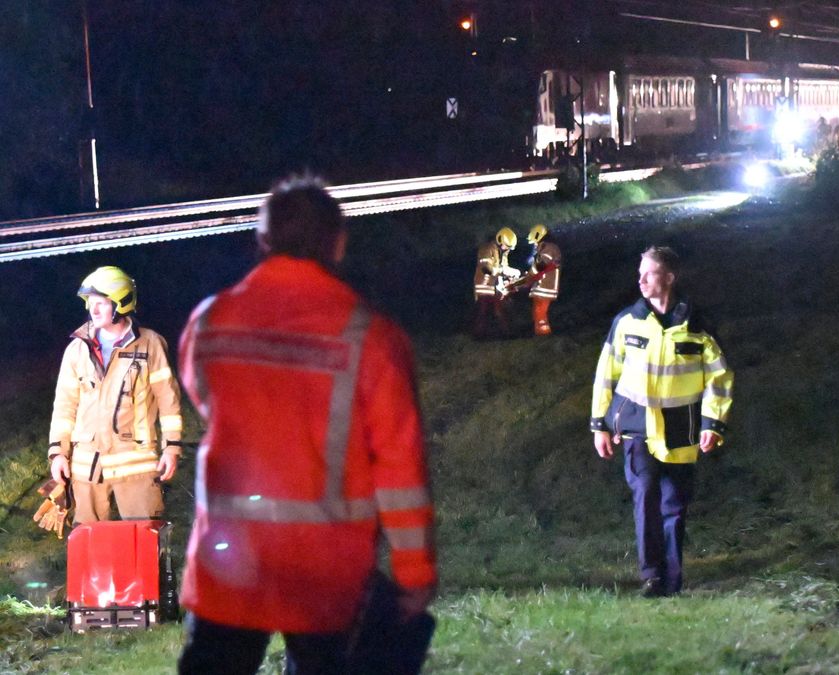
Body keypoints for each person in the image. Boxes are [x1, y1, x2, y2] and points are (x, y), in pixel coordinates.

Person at [176, 176, 437, 674]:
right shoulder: (372, 338)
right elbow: (401, 469)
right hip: (327, 569)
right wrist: (414, 570)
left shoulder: (210, 321)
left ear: (263, 240)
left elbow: (202, 391)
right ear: (337, 243)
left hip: (229, 561)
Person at [590, 246, 734, 598]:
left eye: (649, 273)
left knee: (675, 506)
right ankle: (652, 576)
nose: (640, 280)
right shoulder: (627, 322)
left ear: (669, 277)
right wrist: (600, 425)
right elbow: (605, 375)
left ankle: (673, 578)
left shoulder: (697, 325)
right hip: (637, 428)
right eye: (639, 273)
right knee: (646, 497)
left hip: (681, 431)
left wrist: (712, 424)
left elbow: (720, 377)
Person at [48, 265, 184, 524]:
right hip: (87, 467)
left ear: (121, 303)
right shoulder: (77, 349)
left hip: (137, 466)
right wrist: (58, 454)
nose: (93, 310)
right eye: (90, 303)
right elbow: (65, 406)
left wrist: (171, 448)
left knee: (144, 541)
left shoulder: (150, 344)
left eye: (101, 303)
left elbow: (169, 401)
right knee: (89, 544)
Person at [472, 227, 520, 338]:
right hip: (484, 285)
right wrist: (502, 271)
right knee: (482, 311)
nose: (507, 249)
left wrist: (512, 273)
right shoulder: (487, 249)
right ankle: (478, 335)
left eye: (509, 248)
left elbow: (504, 268)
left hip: (495, 286)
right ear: (500, 240)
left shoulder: (502, 253)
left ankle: (506, 333)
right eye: (506, 246)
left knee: (500, 310)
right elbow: (486, 268)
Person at [522, 224, 562, 336]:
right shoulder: (545, 248)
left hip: (545, 287)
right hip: (541, 286)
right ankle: (539, 333)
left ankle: (543, 335)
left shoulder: (548, 248)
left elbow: (540, 266)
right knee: (537, 312)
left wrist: (528, 277)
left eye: (535, 242)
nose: (534, 244)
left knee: (540, 312)